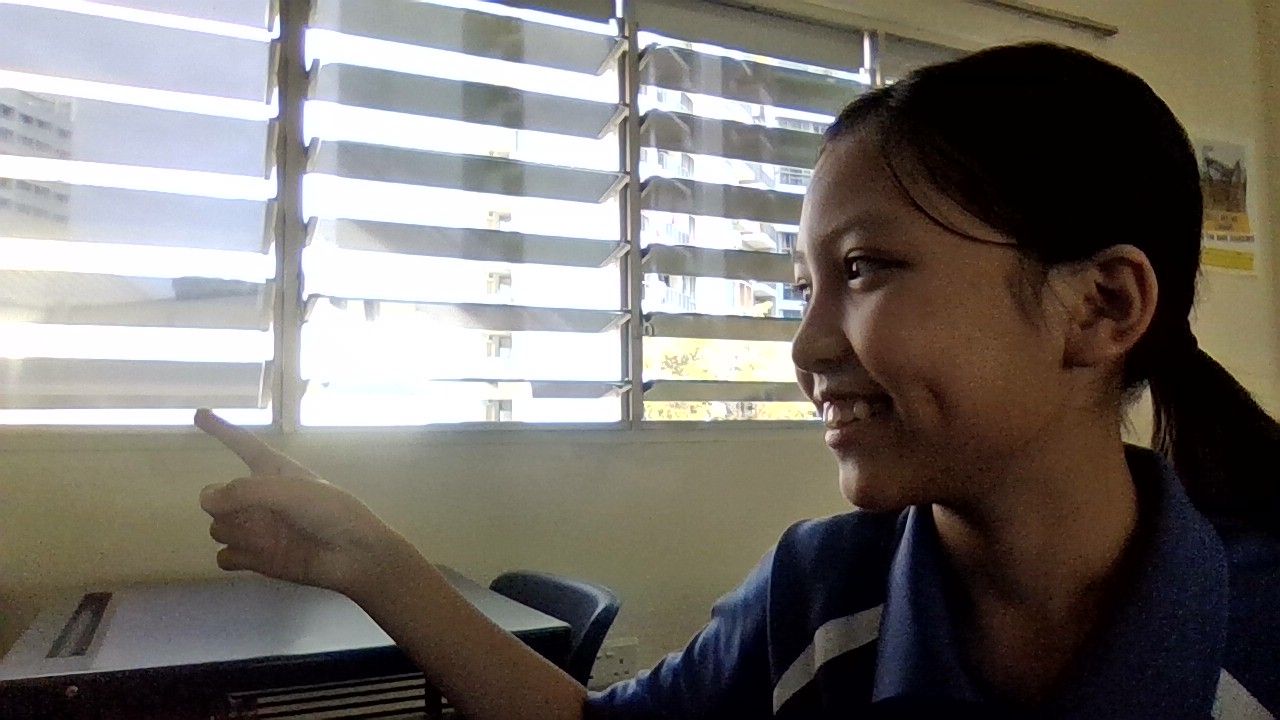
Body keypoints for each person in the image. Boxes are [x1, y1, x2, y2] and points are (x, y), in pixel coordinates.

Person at [196, 42, 1280, 718]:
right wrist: (372, 561)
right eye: (800, 286)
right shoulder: (818, 594)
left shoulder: (1260, 632)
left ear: (1099, 307)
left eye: (861, 269)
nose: (805, 348)